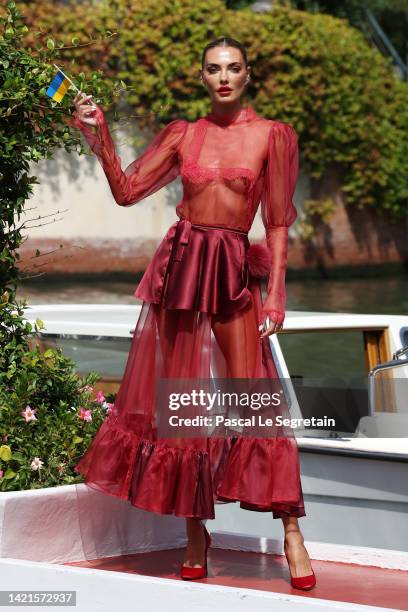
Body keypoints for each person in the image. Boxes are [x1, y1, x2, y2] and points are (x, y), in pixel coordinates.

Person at [71, 36, 316, 590]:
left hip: (233, 267)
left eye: (233, 68)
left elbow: (276, 223)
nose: (223, 77)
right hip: (183, 265)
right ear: (202, 76)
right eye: (213, 69)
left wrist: (276, 293)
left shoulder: (272, 137)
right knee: (184, 403)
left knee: (253, 397)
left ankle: (293, 534)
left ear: (247, 74)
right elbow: (128, 191)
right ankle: (195, 534)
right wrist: (99, 133)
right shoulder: (186, 134)